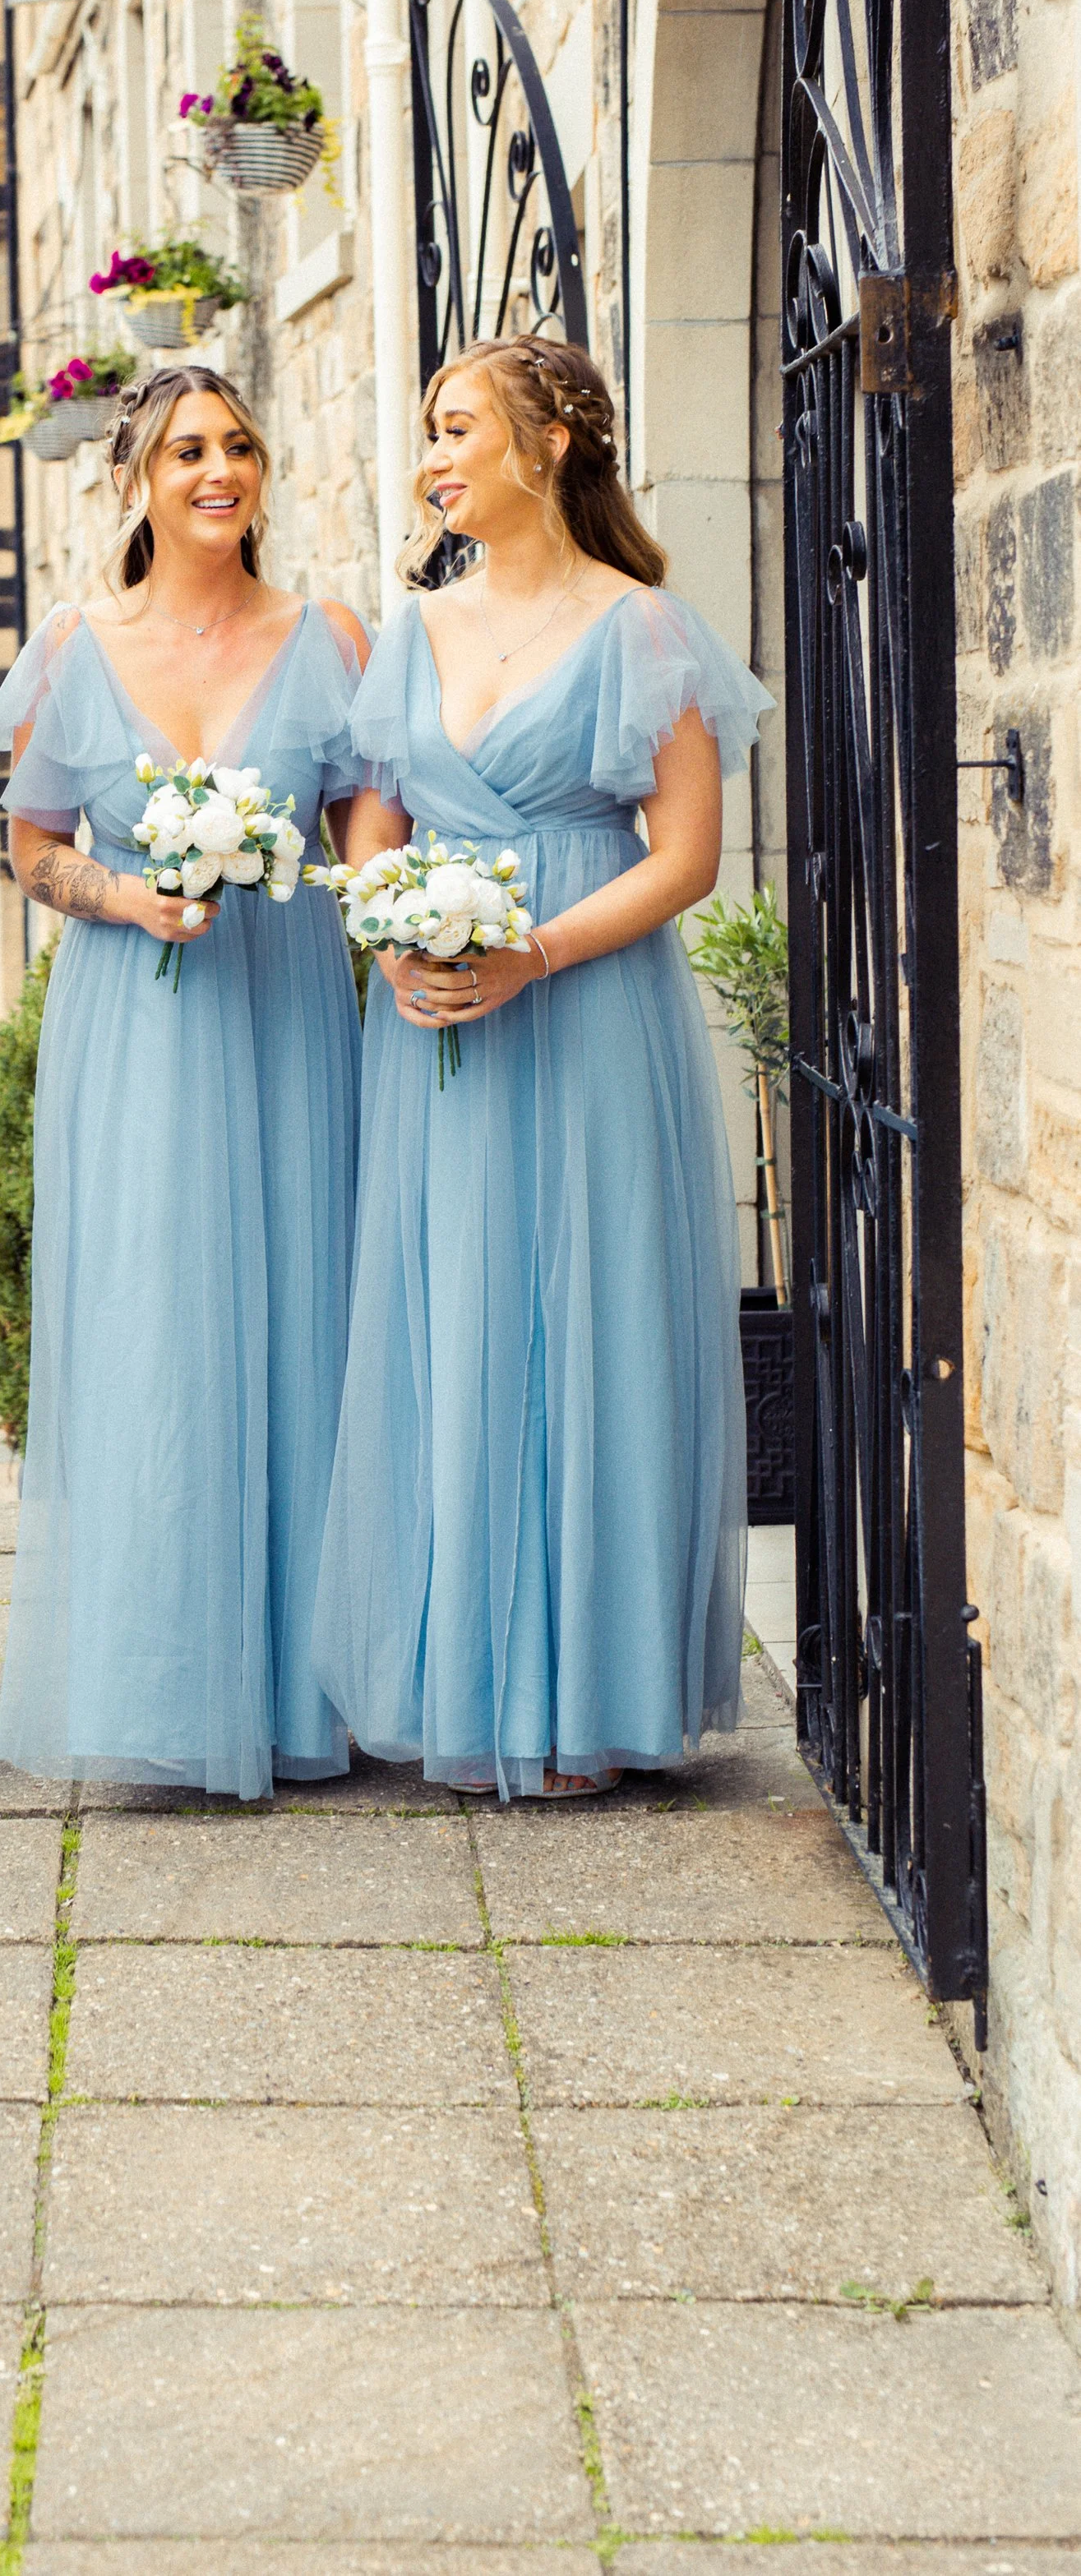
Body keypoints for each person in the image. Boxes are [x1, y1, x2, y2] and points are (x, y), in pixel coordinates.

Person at [312, 335, 771, 1798]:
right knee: (451, 1313)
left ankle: (585, 1684)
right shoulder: (412, 629)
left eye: (458, 430)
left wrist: (535, 954)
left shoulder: (644, 627)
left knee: (586, 1320)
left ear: (553, 442)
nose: (432, 459)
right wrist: (389, 930)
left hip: (583, 1007)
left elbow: (687, 858)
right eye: (427, 434)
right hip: (434, 1016)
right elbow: (372, 814)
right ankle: (465, 1673)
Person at [0, 364, 370, 1798]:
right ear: (137, 480)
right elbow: (29, 850)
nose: (222, 469)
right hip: (132, 1025)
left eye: (241, 446)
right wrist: (127, 897)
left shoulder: (329, 637)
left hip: (283, 1008)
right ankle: (159, 1678)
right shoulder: (76, 642)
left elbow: (368, 837)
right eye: (190, 450)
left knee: (296, 1302)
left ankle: (306, 1681)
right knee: (154, 1321)